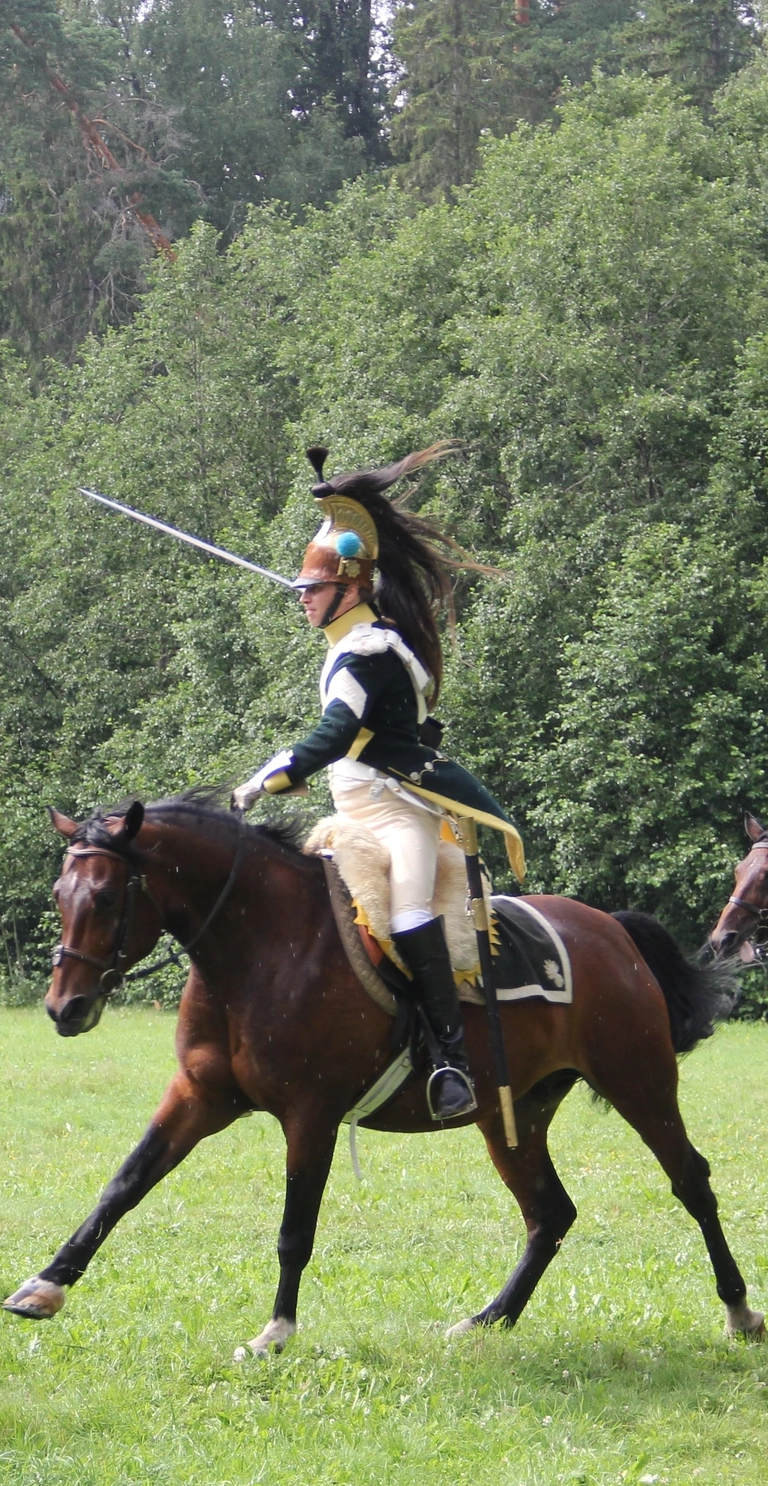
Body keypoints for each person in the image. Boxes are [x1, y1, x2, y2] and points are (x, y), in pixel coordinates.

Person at [232, 444, 524, 1122]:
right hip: (351, 815)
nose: (301, 600)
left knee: (411, 913)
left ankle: (450, 1059)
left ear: (353, 588)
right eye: (301, 589)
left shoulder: (367, 654)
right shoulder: (349, 647)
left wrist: (271, 779)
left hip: (399, 817)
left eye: (313, 590)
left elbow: (336, 735)